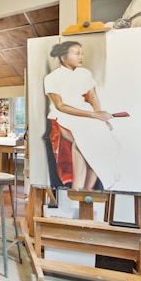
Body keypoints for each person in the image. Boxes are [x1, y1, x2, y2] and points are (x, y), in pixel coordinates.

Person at [44, 41, 119, 190]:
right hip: (64, 114)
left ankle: (87, 188)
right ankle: (77, 186)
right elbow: (60, 106)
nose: (81, 57)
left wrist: (100, 116)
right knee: (82, 137)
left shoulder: (85, 73)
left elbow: (92, 97)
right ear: (64, 57)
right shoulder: (52, 78)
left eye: (82, 53)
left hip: (85, 112)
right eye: (76, 53)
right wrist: (93, 115)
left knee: (101, 136)